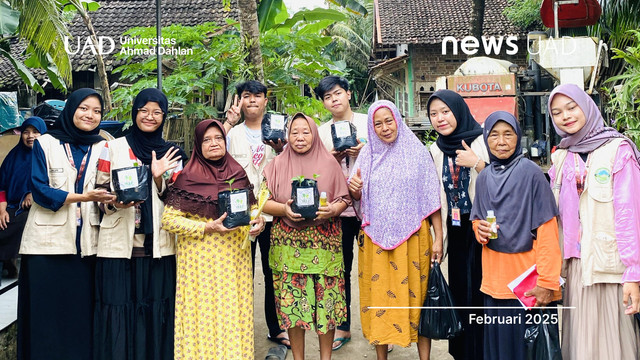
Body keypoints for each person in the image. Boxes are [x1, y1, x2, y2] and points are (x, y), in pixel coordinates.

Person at [18, 88, 117, 360]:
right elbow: (39, 190)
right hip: (46, 247)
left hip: (86, 247)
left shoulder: (104, 146)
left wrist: (115, 200)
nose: (90, 115)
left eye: (97, 111)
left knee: (79, 318)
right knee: (45, 318)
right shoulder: (45, 143)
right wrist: (83, 196)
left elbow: (106, 189)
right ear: (71, 108)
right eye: (84, 108)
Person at [547, 84, 640, 359]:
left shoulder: (618, 149)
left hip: (611, 265)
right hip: (576, 267)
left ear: (586, 106)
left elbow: (629, 213)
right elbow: (554, 214)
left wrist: (633, 274)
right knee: (581, 341)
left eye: (571, 107)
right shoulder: (562, 156)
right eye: (557, 112)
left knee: (614, 342)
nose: (566, 116)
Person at [93, 88, 187, 360]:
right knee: (119, 310)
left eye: (157, 112)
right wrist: (115, 203)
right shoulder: (112, 147)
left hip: (159, 247)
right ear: (135, 113)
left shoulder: (172, 154)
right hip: (119, 247)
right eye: (144, 110)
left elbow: (179, 201)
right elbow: (98, 193)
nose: (150, 116)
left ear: (164, 116)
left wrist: (158, 178)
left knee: (156, 311)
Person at [162, 119, 265, 360]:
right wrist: (207, 227)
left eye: (218, 138)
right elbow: (169, 221)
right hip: (200, 264)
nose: (214, 143)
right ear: (198, 145)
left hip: (233, 262)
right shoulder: (186, 178)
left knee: (232, 313)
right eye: (206, 140)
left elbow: (249, 212)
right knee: (203, 316)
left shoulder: (238, 173)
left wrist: (257, 223)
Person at [348, 100, 443, 360]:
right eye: (377, 124)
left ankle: (425, 357)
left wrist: (439, 238)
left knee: (419, 300)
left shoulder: (416, 152)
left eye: (388, 121)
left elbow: (431, 197)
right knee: (379, 300)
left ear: (398, 119)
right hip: (375, 240)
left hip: (413, 237)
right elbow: (356, 193)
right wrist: (354, 190)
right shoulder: (366, 156)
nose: (384, 128)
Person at [470, 111, 561, 360]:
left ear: (518, 137)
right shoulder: (485, 177)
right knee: (501, 350)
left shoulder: (531, 173)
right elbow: (478, 220)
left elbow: (547, 231)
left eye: (508, 134)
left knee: (529, 351)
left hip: (528, 285)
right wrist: (479, 230)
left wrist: (547, 283)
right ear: (486, 139)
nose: (501, 142)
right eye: (494, 135)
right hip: (494, 282)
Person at [262, 113, 351, 360]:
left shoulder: (329, 163)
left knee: (327, 304)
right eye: (294, 132)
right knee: (293, 305)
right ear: (287, 136)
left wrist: (333, 209)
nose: (300, 137)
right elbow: (261, 201)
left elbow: (344, 198)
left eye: (306, 132)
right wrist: (283, 209)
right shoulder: (277, 164)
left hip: (325, 245)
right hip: (287, 246)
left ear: (314, 134)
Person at [224, 80, 289, 348]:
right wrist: (227, 122)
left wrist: (281, 149)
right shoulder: (230, 134)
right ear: (239, 100)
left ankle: (276, 328)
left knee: (274, 271)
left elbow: (291, 167)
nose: (252, 100)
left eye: (257, 96)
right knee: (241, 273)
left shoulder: (279, 131)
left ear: (266, 100)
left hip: (274, 212)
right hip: (242, 215)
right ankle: (239, 327)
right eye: (246, 96)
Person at [426, 89, 488, 359]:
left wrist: (477, 163)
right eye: (433, 114)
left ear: (458, 111)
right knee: (461, 292)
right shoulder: (435, 149)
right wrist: (438, 238)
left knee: (484, 292)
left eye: (445, 112)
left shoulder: (481, 140)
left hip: (483, 228)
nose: (440, 119)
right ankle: (464, 352)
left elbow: (503, 180)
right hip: (456, 228)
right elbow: (436, 199)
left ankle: (486, 349)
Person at [315, 75, 368, 351]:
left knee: (376, 270)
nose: (334, 99)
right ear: (324, 103)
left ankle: (379, 327)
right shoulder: (322, 133)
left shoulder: (369, 122)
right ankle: (344, 327)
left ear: (349, 93)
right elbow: (315, 169)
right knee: (341, 270)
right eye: (327, 97)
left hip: (372, 206)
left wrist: (365, 151)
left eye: (337, 93)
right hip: (339, 210)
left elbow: (385, 153)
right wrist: (332, 157)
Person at [0, 117, 46, 280]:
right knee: (4, 221)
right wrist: (2, 209)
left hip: (37, 208)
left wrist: (33, 192)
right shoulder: (14, 156)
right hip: (10, 205)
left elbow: (53, 184)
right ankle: (7, 262)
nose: (30, 136)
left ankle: (10, 262)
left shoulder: (48, 157)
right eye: (26, 132)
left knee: (20, 222)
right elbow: (2, 185)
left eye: (36, 132)